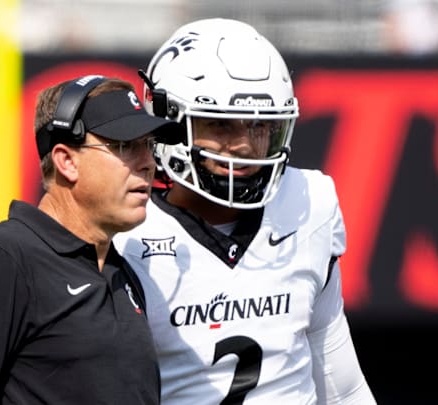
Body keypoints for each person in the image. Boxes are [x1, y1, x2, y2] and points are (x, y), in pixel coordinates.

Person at [113, 18, 377, 404]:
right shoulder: (125, 235)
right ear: (166, 120)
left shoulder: (309, 202)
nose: (242, 145)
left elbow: (341, 381)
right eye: (220, 125)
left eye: (258, 127)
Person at [0, 75, 184, 404]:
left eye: (148, 145)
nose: (148, 162)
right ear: (67, 161)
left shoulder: (122, 273)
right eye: (124, 146)